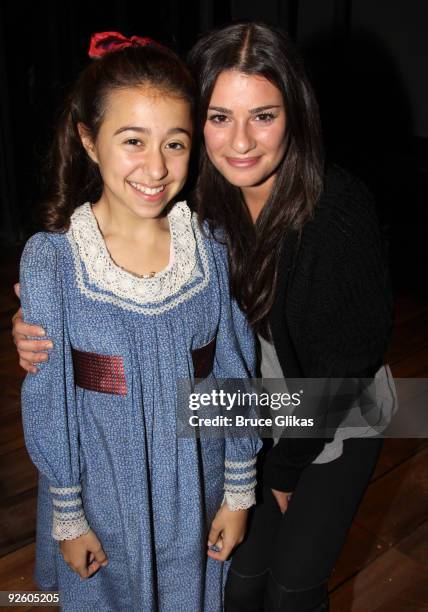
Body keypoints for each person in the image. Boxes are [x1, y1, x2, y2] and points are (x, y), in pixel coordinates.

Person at [13, 22, 393, 612]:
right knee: (237, 584)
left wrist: (269, 478)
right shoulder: (198, 200)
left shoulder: (325, 218)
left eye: (263, 116)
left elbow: (325, 378)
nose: (240, 141)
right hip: (188, 440)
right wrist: (41, 325)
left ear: (296, 113)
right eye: (219, 118)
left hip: (330, 408)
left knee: (288, 584)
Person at [14, 31, 260, 612]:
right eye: (133, 141)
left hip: (191, 496)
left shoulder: (210, 248)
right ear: (89, 140)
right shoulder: (54, 262)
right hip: (100, 498)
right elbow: (51, 398)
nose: (155, 167)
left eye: (175, 144)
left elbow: (233, 375)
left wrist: (238, 489)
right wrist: (70, 515)